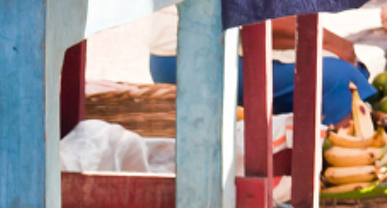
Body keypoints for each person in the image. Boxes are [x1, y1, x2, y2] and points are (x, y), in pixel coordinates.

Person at [147, 8, 374, 126]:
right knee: (342, 81)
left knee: (356, 72)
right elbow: (260, 24)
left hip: (214, 48)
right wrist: (333, 44)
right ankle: (320, 186)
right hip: (192, 58)